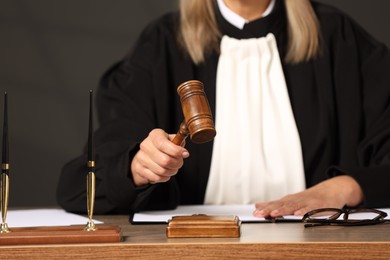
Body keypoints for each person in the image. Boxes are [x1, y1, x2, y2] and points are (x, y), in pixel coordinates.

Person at [57, 0, 390, 218]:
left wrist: (348, 186)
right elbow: (88, 175)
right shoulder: (161, 45)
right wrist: (137, 168)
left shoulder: (338, 38)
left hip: (318, 247)